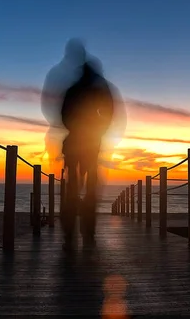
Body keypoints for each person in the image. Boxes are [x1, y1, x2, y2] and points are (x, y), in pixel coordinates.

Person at [60, 55, 115, 250]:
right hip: (88, 143)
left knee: (76, 186)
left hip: (80, 143)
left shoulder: (74, 90)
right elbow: (109, 112)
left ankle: (72, 229)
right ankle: (84, 230)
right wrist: (98, 129)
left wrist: (84, 129)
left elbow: (64, 115)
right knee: (85, 186)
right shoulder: (98, 90)